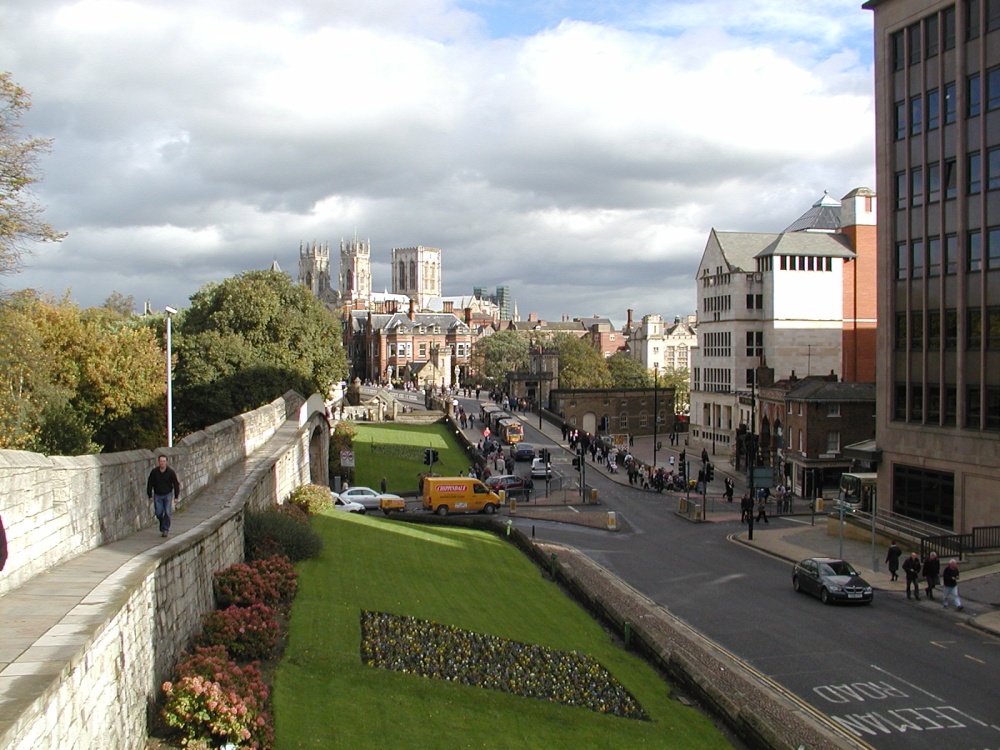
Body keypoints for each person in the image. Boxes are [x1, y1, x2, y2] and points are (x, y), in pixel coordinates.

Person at [147, 455, 181, 538]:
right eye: (161, 461)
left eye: (164, 461)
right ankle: (162, 523)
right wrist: (150, 494)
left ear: (166, 462)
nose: (162, 463)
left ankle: (165, 529)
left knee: (167, 512)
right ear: (158, 462)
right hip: (158, 495)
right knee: (158, 512)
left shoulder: (170, 472)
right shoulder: (154, 472)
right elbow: (150, 483)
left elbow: (176, 484)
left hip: (167, 494)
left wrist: (176, 496)